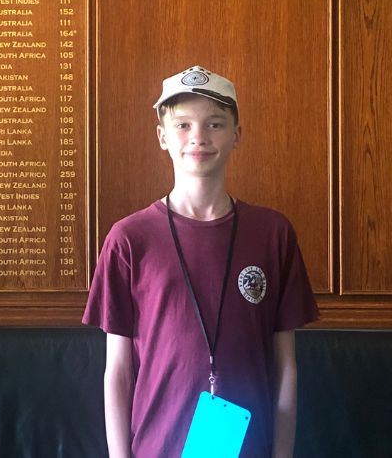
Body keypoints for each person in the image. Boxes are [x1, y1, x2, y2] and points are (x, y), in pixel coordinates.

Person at [83, 65, 319, 458]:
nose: (198, 137)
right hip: (155, 449)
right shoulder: (128, 239)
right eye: (183, 125)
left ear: (237, 135)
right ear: (161, 136)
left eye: (214, 124)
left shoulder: (273, 233)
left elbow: (286, 367)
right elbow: (118, 373)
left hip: (252, 448)